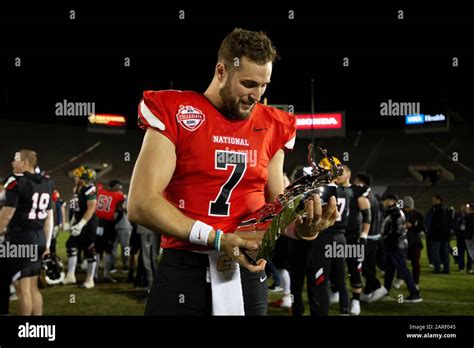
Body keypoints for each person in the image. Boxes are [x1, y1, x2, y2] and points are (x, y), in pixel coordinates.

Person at [128, 28, 339, 315]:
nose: (257, 95)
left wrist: (303, 229)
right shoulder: (176, 109)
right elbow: (141, 204)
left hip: (248, 272)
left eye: (264, 85)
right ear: (221, 71)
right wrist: (216, 238)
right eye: (249, 83)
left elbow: (276, 207)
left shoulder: (274, 124)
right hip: (185, 268)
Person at [0, 150, 54, 315]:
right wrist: (47, 244)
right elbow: (49, 218)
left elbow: (6, 216)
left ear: (25, 163)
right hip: (39, 238)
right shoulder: (47, 182)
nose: (12, 163)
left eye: (16, 160)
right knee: (33, 287)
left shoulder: (15, 182)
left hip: (20, 239)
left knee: (22, 289)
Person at [333, 165, 371, 315]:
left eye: (341, 172)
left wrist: (364, 235)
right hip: (337, 236)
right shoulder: (332, 189)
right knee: (335, 269)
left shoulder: (357, 190)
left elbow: (367, 214)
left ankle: (356, 300)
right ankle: (335, 292)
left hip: (353, 237)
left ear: (349, 173)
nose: (338, 175)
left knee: (354, 269)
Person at [380, 193, 422, 303]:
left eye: (386, 200)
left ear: (392, 201)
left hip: (396, 246)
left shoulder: (396, 213)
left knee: (403, 269)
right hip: (392, 245)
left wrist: (385, 238)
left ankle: (415, 293)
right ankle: (386, 292)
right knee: (389, 270)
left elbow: (397, 231)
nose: (384, 202)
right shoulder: (392, 212)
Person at [63, 166, 98, 289]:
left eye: (77, 176)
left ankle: (90, 279)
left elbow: (92, 208)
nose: (75, 178)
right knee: (71, 245)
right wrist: (71, 222)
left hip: (88, 223)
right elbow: (74, 207)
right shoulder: (76, 188)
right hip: (78, 221)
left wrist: (81, 223)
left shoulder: (90, 188)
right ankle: (71, 275)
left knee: (89, 249)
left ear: (83, 178)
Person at [95, 180, 126, 283]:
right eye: (117, 187)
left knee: (97, 251)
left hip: (98, 224)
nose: (119, 190)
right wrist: (114, 221)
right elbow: (121, 211)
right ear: (111, 187)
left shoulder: (100, 192)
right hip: (108, 225)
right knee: (108, 251)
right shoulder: (117, 196)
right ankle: (106, 275)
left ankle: (94, 275)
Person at [402, 196, 425, 287]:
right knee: (401, 263)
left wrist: (412, 226)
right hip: (403, 242)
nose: (406, 209)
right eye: (405, 207)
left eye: (408, 207)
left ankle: (416, 282)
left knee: (415, 264)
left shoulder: (418, 215)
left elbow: (422, 228)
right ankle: (402, 279)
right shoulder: (400, 213)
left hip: (415, 242)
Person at [426, 195, 452, 274]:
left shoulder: (436, 209)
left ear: (438, 200)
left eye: (433, 200)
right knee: (445, 253)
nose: (432, 201)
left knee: (435, 252)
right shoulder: (447, 208)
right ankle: (446, 269)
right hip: (446, 235)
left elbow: (435, 223)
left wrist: (431, 231)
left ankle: (437, 269)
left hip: (437, 235)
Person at [452, 203, 472, 273]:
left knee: (469, 253)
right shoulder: (457, 215)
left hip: (468, 237)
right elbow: (454, 224)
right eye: (463, 207)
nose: (465, 209)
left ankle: (469, 267)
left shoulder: (470, 216)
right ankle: (461, 267)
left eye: (466, 207)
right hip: (460, 236)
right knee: (460, 252)